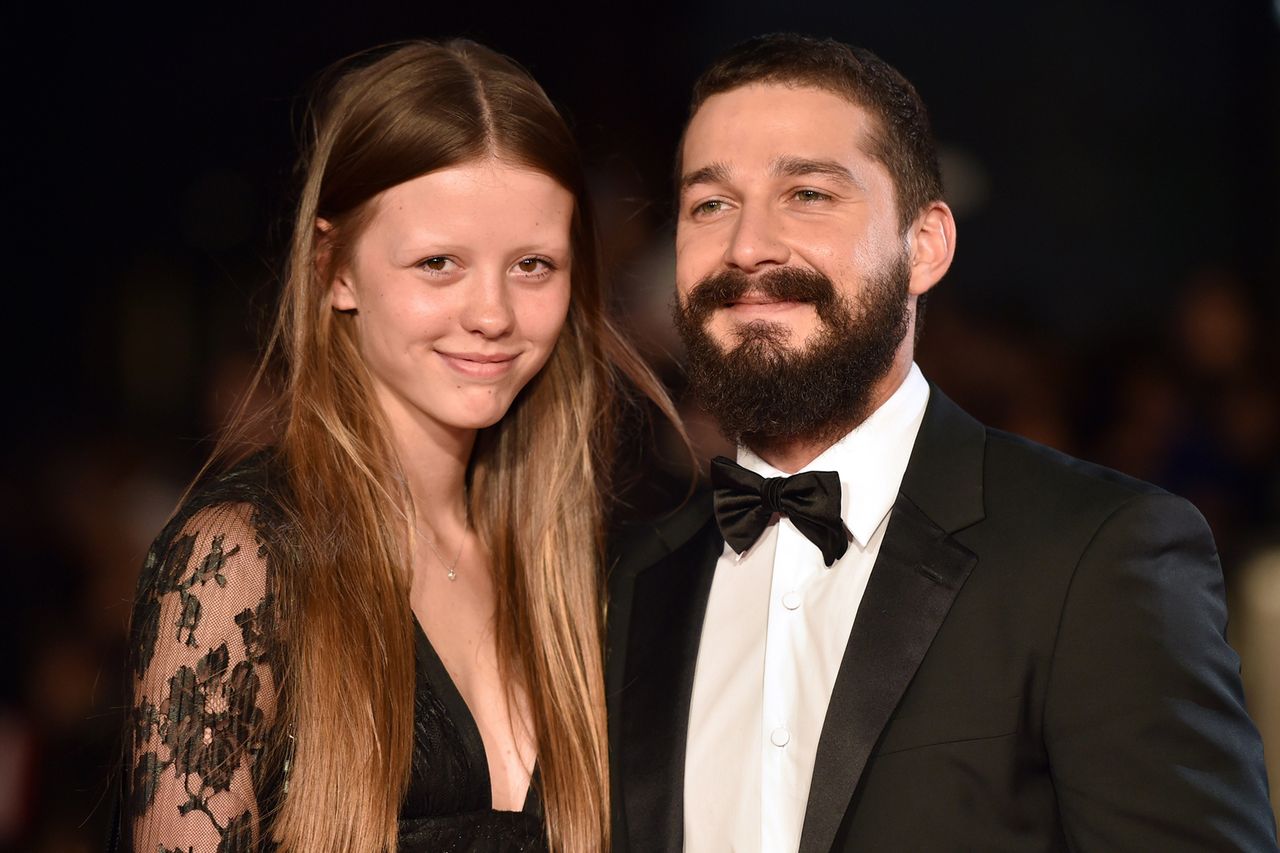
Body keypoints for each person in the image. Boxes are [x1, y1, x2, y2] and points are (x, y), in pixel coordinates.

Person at [606, 33, 1278, 852]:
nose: (748, 246)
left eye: (809, 194)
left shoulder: (1096, 555)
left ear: (925, 246)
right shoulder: (632, 579)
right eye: (710, 204)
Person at [118, 39, 674, 852]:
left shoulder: (575, 562)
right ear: (333, 266)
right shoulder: (242, 561)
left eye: (533, 264)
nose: (492, 313)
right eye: (439, 263)